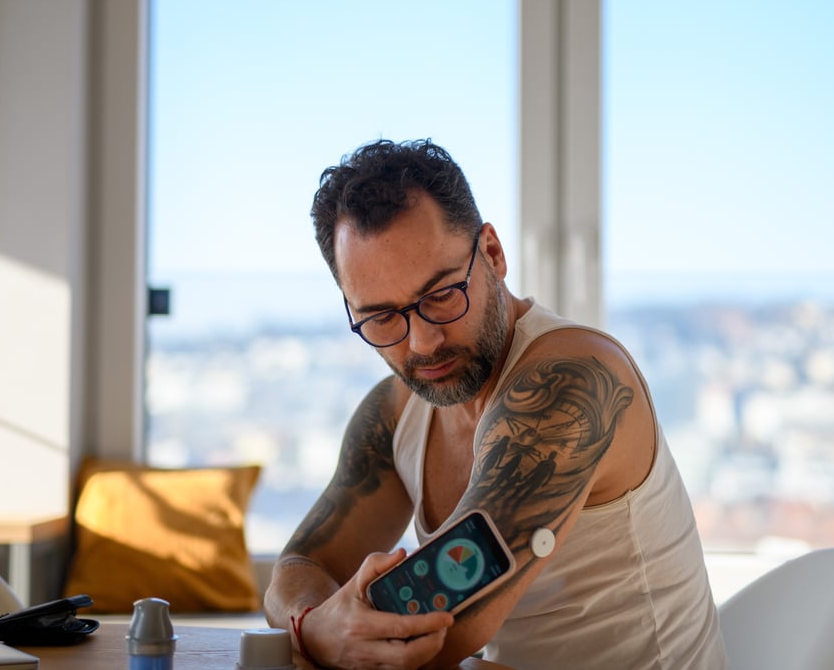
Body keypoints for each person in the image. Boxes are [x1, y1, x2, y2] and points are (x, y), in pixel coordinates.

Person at [264, 139, 728, 669]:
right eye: (381, 318)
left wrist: (322, 630)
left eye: (440, 295)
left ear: (492, 254)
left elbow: (436, 632)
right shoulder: (395, 412)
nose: (421, 342)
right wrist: (312, 622)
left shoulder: (569, 382)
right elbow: (299, 567)